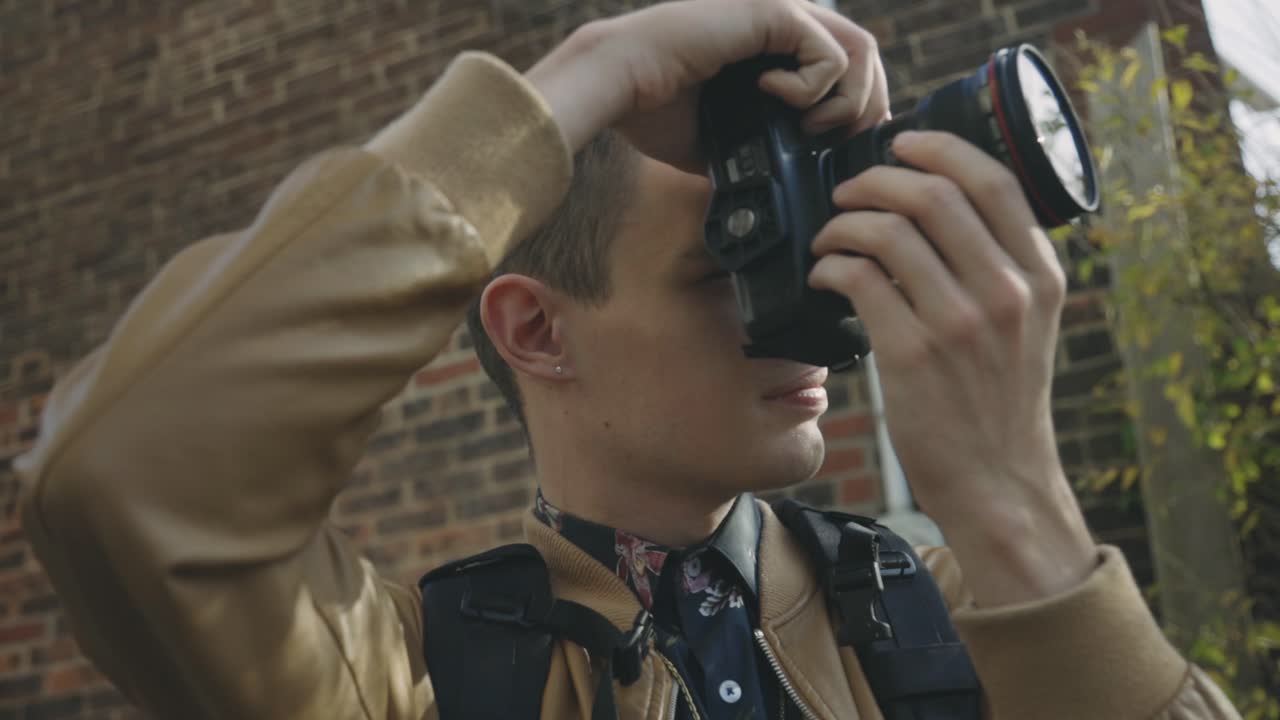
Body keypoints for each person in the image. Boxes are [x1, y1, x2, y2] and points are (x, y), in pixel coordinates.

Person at [16, 0, 1241, 718]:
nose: (821, 310)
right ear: (535, 329)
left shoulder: (960, 607)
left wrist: (1016, 505)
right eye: (737, 263)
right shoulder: (415, 672)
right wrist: (578, 83)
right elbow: (122, 473)